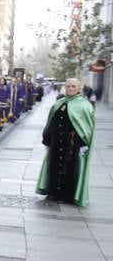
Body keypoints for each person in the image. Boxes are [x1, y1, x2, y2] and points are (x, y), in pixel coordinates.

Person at [36, 78, 95, 206]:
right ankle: (52, 193)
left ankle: (67, 195)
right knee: (54, 166)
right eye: (68, 86)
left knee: (69, 168)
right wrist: (46, 140)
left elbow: (86, 128)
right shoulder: (59, 103)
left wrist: (83, 144)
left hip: (73, 144)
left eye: (73, 86)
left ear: (79, 88)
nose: (70, 88)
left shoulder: (85, 105)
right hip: (56, 142)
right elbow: (51, 122)